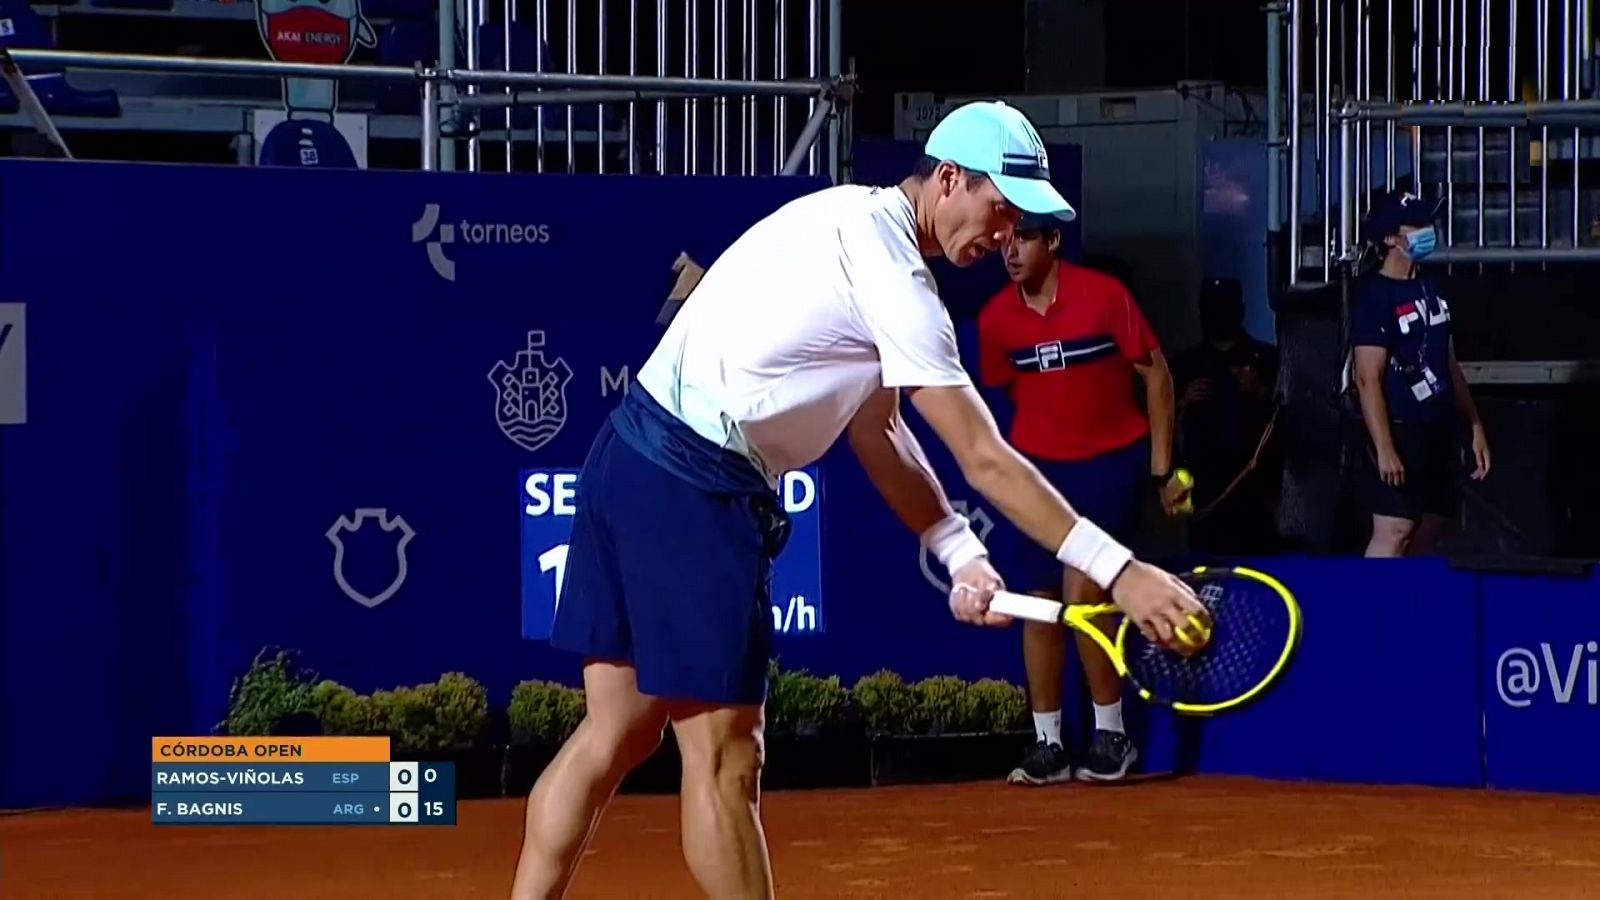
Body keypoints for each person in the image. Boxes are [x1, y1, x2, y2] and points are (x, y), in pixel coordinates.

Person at [507, 100, 1209, 900]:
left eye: (1020, 220)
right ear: (949, 179)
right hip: (693, 486)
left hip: (625, 455)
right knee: (726, 756)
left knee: (616, 730)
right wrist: (1121, 572)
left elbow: (879, 431)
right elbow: (983, 455)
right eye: (998, 208)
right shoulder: (900, 281)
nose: (1003, 235)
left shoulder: (847, 218)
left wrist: (958, 549)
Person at [977, 219, 1187, 786]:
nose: (1010, 251)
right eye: (1003, 241)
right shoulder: (996, 320)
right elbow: (1012, 391)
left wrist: (1162, 470)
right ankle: (1048, 744)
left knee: (1084, 593)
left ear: (1052, 242)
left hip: (1107, 466)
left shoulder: (1104, 297)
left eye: (1023, 239)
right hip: (1036, 473)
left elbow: (1158, 379)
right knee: (1038, 602)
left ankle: (1111, 735)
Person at [1349, 189, 1491, 558]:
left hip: (1438, 427)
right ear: (1390, 238)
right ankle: (1370, 610)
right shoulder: (1374, 297)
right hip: (1401, 426)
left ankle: (1410, 611)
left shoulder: (1432, 287)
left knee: (1431, 529)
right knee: (1395, 529)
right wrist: (1385, 449)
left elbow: (1450, 362)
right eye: (1417, 225)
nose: (1427, 231)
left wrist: (1473, 426)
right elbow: (1367, 379)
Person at [1171, 277, 1281, 555]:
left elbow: (1291, 415)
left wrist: (1260, 391)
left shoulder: (1266, 358)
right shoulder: (1186, 364)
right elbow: (1161, 425)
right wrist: (1183, 400)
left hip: (1258, 487)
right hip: (1206, 488)